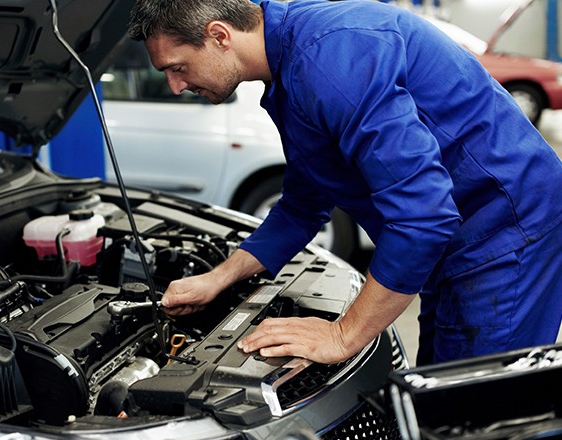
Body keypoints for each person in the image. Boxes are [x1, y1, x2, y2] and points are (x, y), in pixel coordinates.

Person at [128, 0, 562, 365]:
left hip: (504, 230)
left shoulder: (330, 60)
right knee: (433, 389)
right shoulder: (288, 69)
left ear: (220, 35)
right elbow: (302, 204)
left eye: (178, 67)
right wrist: (219, 278)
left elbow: (423, 218)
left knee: (477, 409)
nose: (175, 85)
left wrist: (342, 336)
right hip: (457, 237)